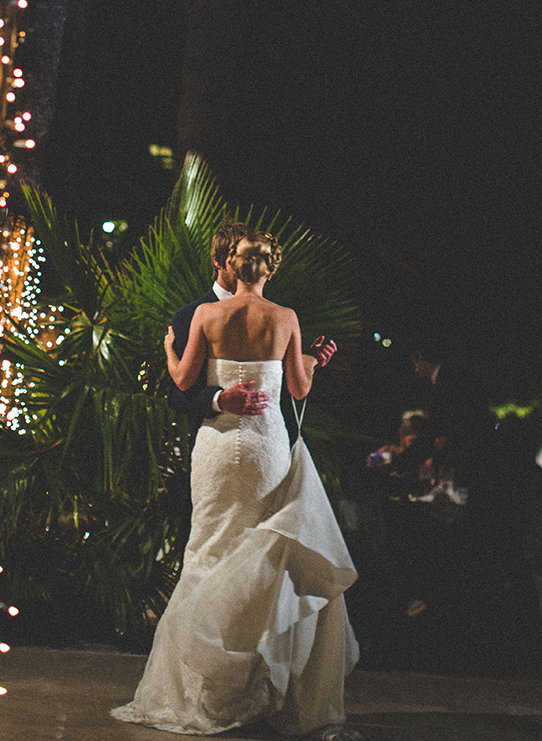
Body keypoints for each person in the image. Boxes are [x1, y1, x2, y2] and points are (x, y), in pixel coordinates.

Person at [112, 231, 359, 736]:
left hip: (220, 451)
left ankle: (207, 687)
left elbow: (181, 379)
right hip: (265, 449)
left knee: (208, 550)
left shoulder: (205, 318)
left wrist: (166, 351)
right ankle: (253, 683)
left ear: (234, 263)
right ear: (271, 268)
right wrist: (308, 361)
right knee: (264, 554)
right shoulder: (284, 317)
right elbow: (297, 389)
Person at [165, 220, 271, 439]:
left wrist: (308, 360)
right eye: (238, 260)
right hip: (217, 436)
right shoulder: (189, 315)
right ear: (218, 261)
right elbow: (176, 394)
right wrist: (218, 400)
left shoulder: (271, 314)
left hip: (267, 437)